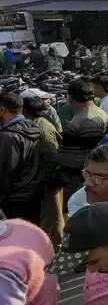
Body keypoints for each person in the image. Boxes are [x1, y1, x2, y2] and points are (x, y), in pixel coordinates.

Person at [21, 93, 65, 248]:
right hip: (46, 179)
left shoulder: (42, 127)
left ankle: (56, 247)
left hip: (50, 181)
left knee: (53, 217)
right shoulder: (39, 123)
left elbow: (51, 157)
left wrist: (47, 182)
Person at [59, 78, 108, 202]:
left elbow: (90, 153)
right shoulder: (89, 113)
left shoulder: (88, 119)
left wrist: (85, 180)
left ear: (71, 97)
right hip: (75, 174)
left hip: (76, 178)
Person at [0, 92, 44, 227]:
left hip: (14, 199)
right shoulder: (35, 128)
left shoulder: (8, 136)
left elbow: (5, 172)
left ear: (2, 110)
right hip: (33, 194)